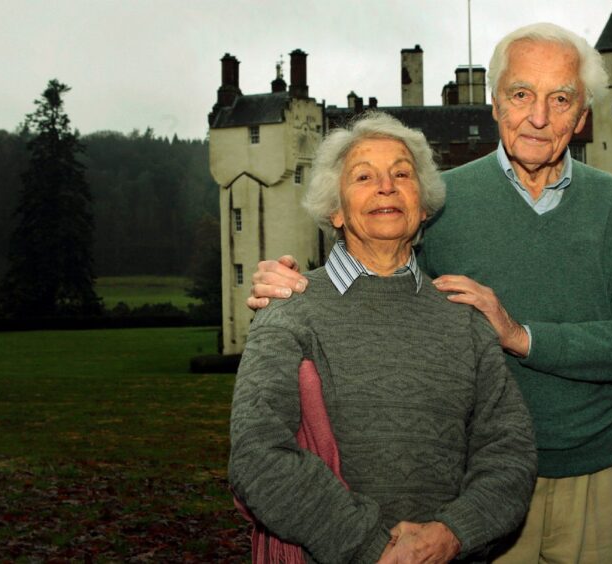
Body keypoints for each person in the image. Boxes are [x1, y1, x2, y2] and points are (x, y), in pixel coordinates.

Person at [249, 22, 612, 564]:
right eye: (521, 95)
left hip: (593, 471)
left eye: (560, 99)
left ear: (582, 116)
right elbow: (379, 275)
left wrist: (519, 336)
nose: (538, 117)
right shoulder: (442, 200)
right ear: (495, 104)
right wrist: (290, 284)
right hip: (471, 485)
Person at [229, 112, 537, 564]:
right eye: (363, 176)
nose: (386, 187)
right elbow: (257, 456)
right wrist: (373, 550)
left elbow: (510, 452)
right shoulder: (290, 309)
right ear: (334, 208)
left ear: (424, 205)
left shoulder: (463, 319)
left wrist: (451, 534)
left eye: (401, 174)